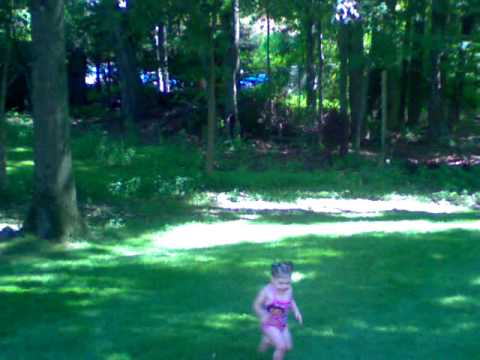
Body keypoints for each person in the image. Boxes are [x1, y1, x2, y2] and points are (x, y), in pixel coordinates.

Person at [253, 262, 303, 360]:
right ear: (272, 280)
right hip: (269, 323)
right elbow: (256, 305)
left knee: (288, 347)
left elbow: (291, 300)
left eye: (287, 283)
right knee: (281, 347)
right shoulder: (266, 291)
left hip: (283, 323)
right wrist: (262, 314)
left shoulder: (289, 290)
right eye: (280, 283)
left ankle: (267, 340)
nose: (284, 286)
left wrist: (296, 311)